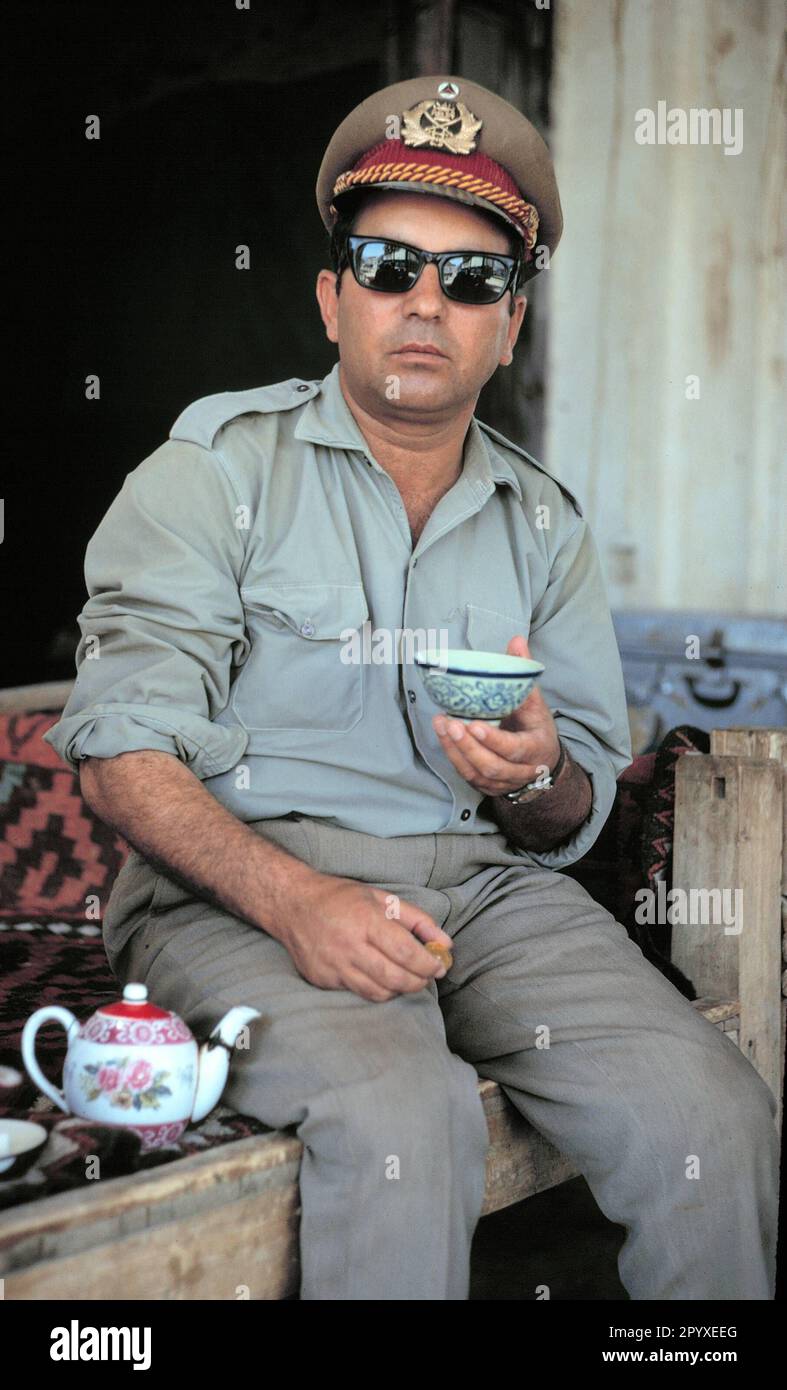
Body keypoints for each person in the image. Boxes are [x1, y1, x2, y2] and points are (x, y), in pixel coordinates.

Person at [43, 75, 779, 1301]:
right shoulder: (214, 470)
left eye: (472, 278)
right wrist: (295, 900)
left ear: (512, 321)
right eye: (389, 265)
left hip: (482, 890)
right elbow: (120, 748)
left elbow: (575, 806)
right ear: (333, 300)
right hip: (236, 887)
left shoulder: (543, 522)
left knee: (711, 1109)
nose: (426, 301)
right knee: (401, 1121)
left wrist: (537, 773)